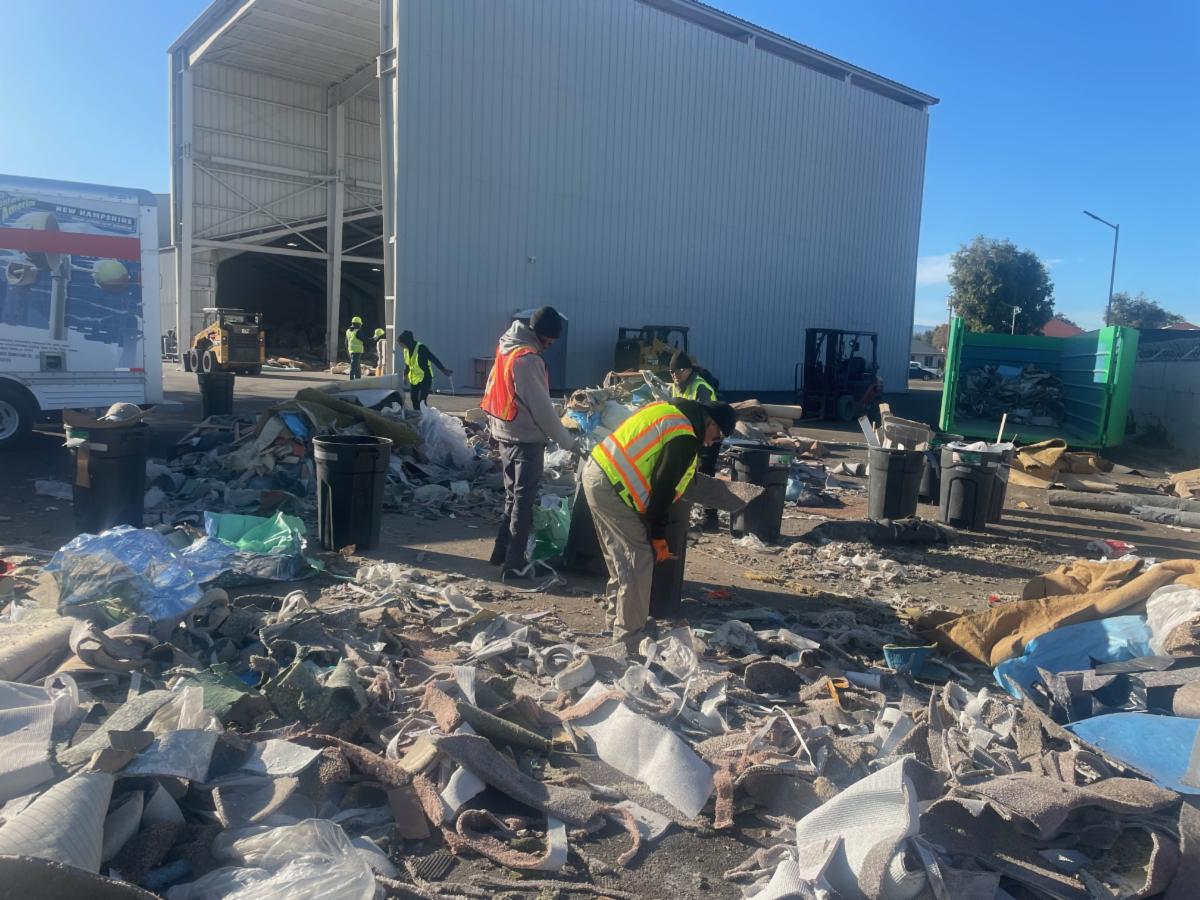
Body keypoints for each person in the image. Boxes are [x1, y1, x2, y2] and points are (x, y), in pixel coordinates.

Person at [582, 399, 737, 645]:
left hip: (597, 472)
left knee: (621, 558)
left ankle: (617, 620)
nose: (713, 442)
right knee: (638, 561)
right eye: (717, 435)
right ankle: (629, 638)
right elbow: (662, 488)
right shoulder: (684, 437)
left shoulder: (668, 411)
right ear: (711, 422)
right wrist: (658, 536)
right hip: (613, 486)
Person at [483, 306, 577, 580]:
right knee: (523, 503)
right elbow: (542, 410)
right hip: (525, 438)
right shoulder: (528, 359)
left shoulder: (507, 347)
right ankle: (513, 565)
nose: (550, 346)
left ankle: (500, 553)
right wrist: (567, 441)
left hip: (504, 431)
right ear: (545, 335)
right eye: (551, 340)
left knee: (512, 498)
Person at [670, 350, 721, 530]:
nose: (675, 376)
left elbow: (703, 419)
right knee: (688, 475)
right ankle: (683, 513)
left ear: (689, 370)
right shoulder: (677, 386)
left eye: (679, 371)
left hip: (709, 435)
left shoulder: (700, 388)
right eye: (672, 372)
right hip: (691, 435)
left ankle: (711, 518)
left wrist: (698, 448)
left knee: (705, 474)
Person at [397, 330, 452, 409]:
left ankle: (424, 416)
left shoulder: (421, 348)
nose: (400, 345)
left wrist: (443, 370)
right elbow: (407, 364)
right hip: (415, 378)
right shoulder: (406, 350)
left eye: (401, 343)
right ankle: (417, 415)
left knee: (422, 400)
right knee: (413, 398)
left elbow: (433, 359)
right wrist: (405, 376)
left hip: (425, 377)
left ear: (407, 341)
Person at [345, 315, 364, 379]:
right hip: (357, 351)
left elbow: (346, 342)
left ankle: (358, 379)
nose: (360, 326)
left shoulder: (348, 331)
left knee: (357, 367)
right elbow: (365, 340)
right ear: (358, 324)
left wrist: (348, 351)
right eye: (360, 324)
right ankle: (351, 379)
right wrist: (373, 338)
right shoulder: (358, 332)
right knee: (354, 366)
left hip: (351, 350)